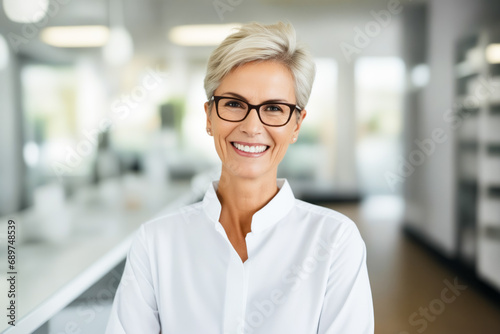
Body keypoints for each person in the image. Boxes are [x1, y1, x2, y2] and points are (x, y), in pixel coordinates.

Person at [105, 21, 374, 334]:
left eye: (273, 108)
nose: (252, 126)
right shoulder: (155, 243)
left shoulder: (335, 242)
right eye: (234, 104)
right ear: (209, 117)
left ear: (296, 125)